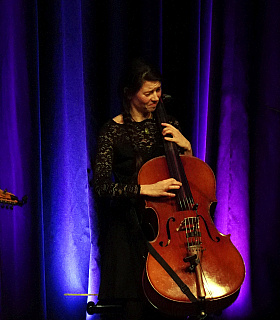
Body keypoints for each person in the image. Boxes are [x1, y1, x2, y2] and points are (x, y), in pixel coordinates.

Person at [93, 59, 192, 320]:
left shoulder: (169, 125)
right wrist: (146, 190)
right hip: (128, 233)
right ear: (129, 93)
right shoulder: (111, 132)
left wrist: (187, 148)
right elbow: (102, 187)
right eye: (148, 92)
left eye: (158, 90)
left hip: (169, 231)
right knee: (134, 310)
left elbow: (191, 178)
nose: (156, 98)